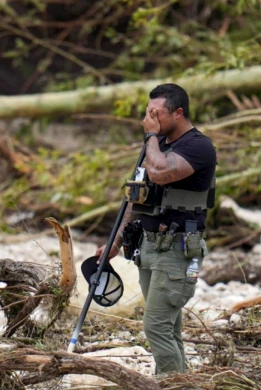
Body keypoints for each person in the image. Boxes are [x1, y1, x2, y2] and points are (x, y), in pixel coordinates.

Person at [95, 83, 217, 375]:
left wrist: (150, 136)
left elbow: (161, 173)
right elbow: (135, 198)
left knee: (156, 326)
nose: (149, 120)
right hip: (150, 247)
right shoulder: (157, 146)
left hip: (178, 249)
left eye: (156, 114)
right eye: (147, 113)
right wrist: (117, 239)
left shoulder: (198, 146)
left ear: (178, 113)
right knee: (169, 327)